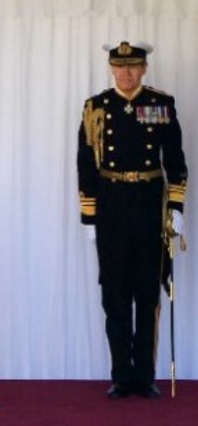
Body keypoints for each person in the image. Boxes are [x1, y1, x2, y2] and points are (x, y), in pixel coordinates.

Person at [77, 41, 187, 400]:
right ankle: (121, 375)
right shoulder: (96, 107)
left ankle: (145, 375)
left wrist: (176, 207)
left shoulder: (160, 104)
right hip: (111, 207)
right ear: (112, 68)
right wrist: (89, 216)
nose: (125, 73)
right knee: (115, 295)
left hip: (149, 205)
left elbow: (175, 160)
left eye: (133, 66)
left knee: (147, 293)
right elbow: (86, 164)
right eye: (120, 67)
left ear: (143, 69)